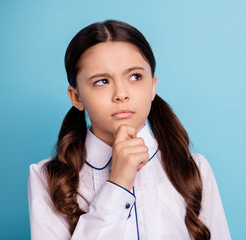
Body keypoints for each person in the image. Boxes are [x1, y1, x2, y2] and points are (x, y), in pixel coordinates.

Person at [28, 19, 231, 240]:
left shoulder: (194, 170)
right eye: (102, 81)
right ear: (76, 97)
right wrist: (118, 185)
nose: (121, 94)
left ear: (153, 85)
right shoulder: (46, 178)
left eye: (135, 77)